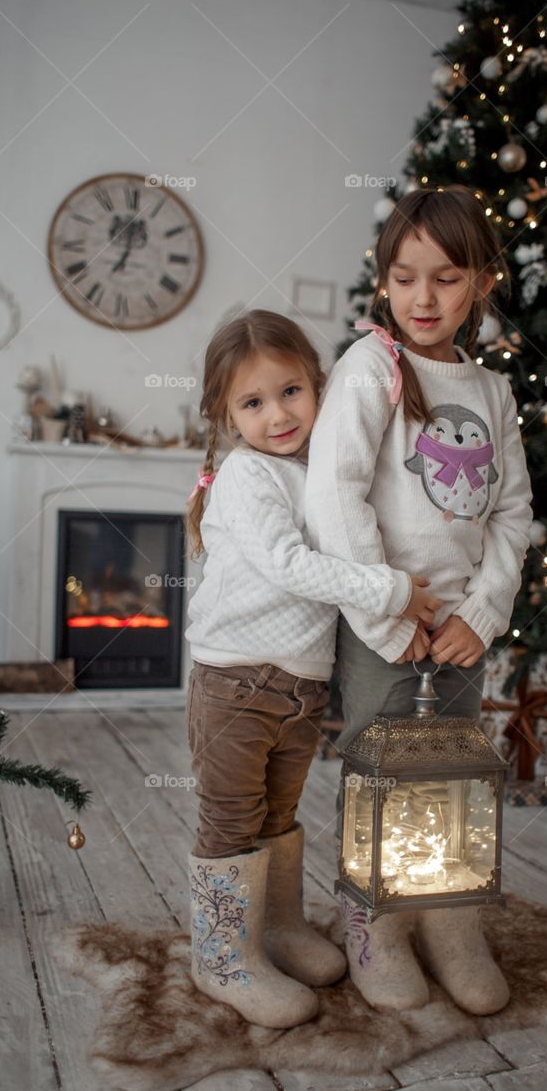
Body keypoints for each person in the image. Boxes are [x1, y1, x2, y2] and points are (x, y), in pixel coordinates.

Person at [305, 186, 534, 1014]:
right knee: (379, 769)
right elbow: (334, 498)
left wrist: (481, 613)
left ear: (480, 281)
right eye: (404, 278)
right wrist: (383, 613)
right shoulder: (370, 369)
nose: (422, 298)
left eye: (445, 278)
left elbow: (511, 513)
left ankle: (445, 917)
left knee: (448, 776)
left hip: (459, 633)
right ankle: (373, 924)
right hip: (388, 626)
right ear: (384, 282)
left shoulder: (492, 392)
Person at [183, 309, 440, 1028]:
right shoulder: (245, 473)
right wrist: (392, 590)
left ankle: (278, 927)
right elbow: (291, 567)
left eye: (291, 391)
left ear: (318, 387)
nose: (278, 414)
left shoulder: (320, 471)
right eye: (253, 402)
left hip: (298, 686)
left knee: (279, 815)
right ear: (225, 414)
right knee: (231, 819)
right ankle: (221, 956)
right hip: (235, 682)